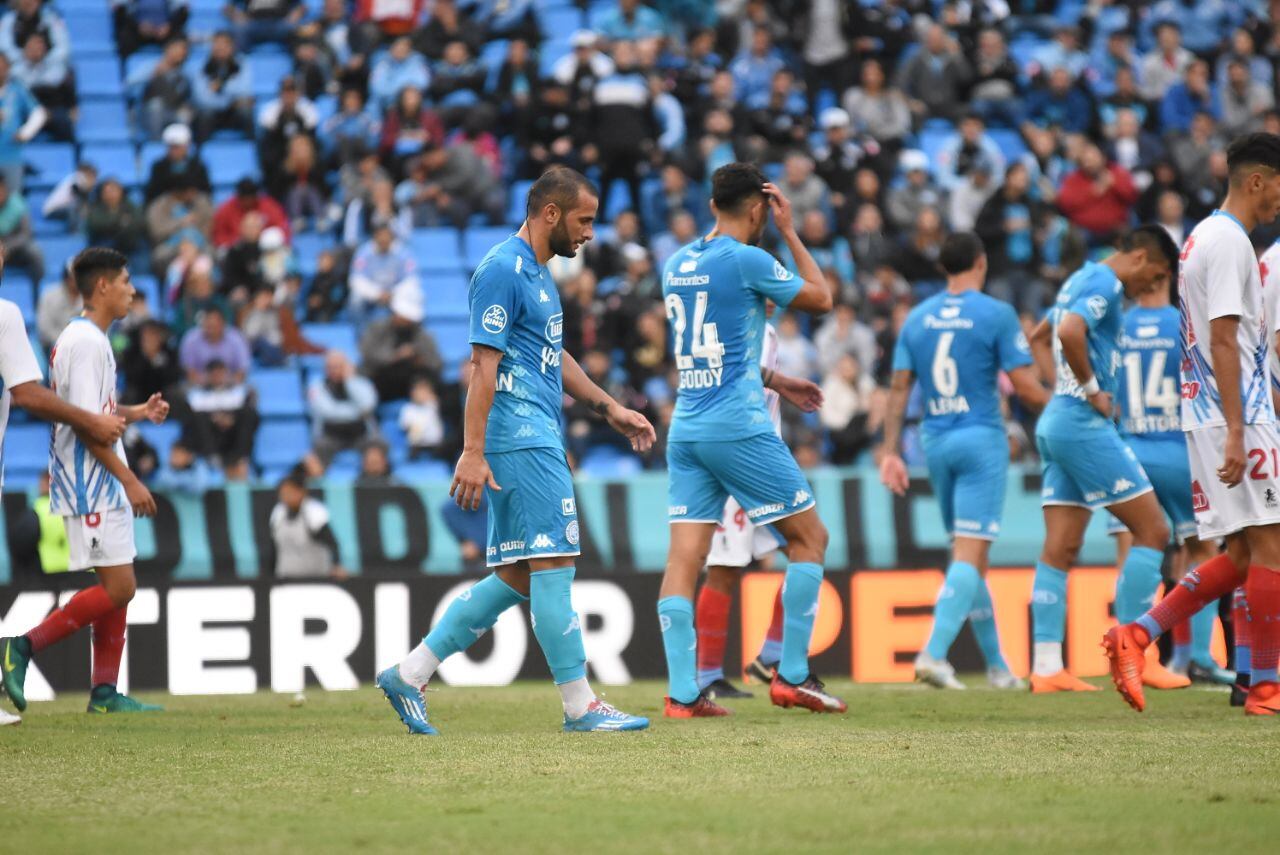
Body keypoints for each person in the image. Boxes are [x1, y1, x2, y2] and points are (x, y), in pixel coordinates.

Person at [376, 166, 655, 734]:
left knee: (520, 576)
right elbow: (483, 364)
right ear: (550, 213)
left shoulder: (538, 272)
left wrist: (609, 407)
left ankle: (410, 672)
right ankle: (580, 707)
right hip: (520, 435)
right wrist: (472, 451)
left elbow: (553, 355)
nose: (589, 233)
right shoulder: (502, 270)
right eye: (584, 220)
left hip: (534, 432)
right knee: (555, 564)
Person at [658, 163, 842, 718]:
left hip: (687, 425)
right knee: (810, 538)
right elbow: (821, 298)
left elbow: (719, 349)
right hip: (738, 426)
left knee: (684, 560)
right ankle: (791, 675)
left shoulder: (676, 263)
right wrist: (790, 231)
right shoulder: (748, 259)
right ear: (760, 207)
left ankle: (683, 693)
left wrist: (777, 380)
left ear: (712, 204)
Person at [1105, 134, 1280, 717]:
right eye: (1278, 184)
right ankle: (1265, 689)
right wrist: (1237, 427)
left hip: (1209, 413)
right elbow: (1224, 337)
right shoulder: (1229, 242)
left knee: (1244, 554)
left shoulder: (1204, 235)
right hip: (1238, 413)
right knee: (1270, 547)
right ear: (1257, 180)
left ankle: (1139, 633)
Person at [0, 247, 169, 718]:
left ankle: (104, 693)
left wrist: (136, 412)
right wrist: (130, 480)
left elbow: (96, 413)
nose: (132, 290)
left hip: (98, 477)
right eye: (126, 281)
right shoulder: (87, 344)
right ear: (102, 287)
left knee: (117, 575)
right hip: (90, 480)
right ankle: (21, 646)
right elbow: (85, 426)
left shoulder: (91, 340)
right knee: (120, 587)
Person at [880, 232, 1049, 690]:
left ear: (942, 268)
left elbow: (898, 389)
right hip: (980, 438)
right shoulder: (995, 313)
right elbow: (1028, 389)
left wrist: (891, 450)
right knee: (971, 552)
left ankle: (997, 668)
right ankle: (933, 654)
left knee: (969, 555)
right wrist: (1073, 409)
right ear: (980, 262)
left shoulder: (917, 318)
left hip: (935, 440)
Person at [1025, 225, 1179, 694]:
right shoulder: (1105, 284)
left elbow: (1040, 333)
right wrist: (1090, 392)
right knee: (1154, 530)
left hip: (1057, 420)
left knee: (1061, 546)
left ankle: (1047, 666)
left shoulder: (1077, 279)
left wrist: (1062, 392)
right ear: (1137, 257)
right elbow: (1069, 331)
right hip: (1080, 424)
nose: (1152, 286)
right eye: (1154, 275)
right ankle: (1136, 652)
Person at [1106, 274, 1230, 689]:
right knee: (1203, 550)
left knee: (1139, 548)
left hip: (1129, 450)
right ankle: (1193, 656)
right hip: (1179, 450)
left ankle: (1131, 656)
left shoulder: (1118, 325)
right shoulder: (1184, 323)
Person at [305, 350, 379, 471]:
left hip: (361, 433)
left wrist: (350, 381)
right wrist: (358, 412)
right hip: (330, 435)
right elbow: (328, 412)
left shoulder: (362, 383)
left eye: (339, 366)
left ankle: (375, 485)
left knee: (377, 449)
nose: (335, 370)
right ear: (325, 369)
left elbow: (367, 405)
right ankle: (318, 487)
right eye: (331, 367)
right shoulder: (317, 386)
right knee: (315, 456)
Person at [267, 472, 347, 579]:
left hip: (315, 579)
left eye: (290, 491)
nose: (285, 495)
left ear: (302, 491)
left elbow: (333, 544)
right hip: (285, 579)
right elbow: (274, 548)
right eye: (283, 492)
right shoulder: (278, 513)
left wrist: (337, 565)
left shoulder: (314, 513)